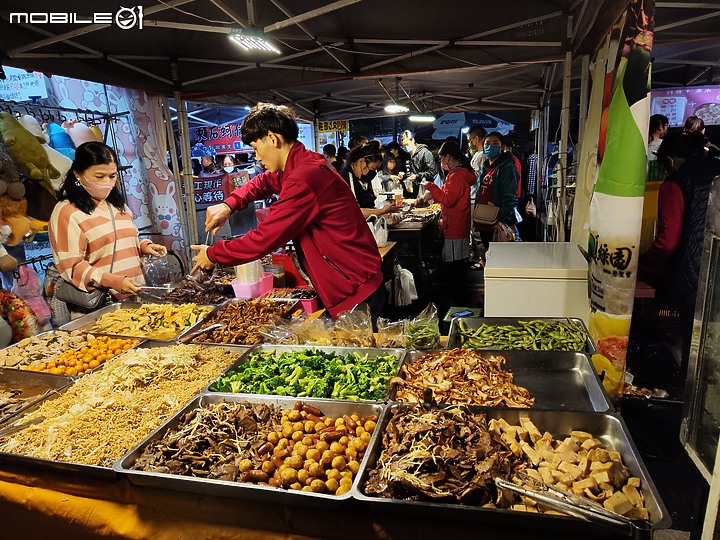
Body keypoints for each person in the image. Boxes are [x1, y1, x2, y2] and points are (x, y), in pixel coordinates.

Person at [192, 103, 386, 321]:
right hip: (352, 281)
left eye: (256, 148)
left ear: (273, 139)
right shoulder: (300, 164)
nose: (256, 157)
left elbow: (264, 240)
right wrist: (229, 205)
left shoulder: (304, 177)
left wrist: (213, 254)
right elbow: (262, 183)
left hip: (357, 289)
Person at [639, 130, 720, 382]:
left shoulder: (677, 182)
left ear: (670, 160)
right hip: (713, 271)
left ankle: (682, 401)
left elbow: (667, 240)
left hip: (694, 279)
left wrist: (642, 265)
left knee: (694, 349)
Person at [49, 142, 167, 299]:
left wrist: (144, 247)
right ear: (77, 173)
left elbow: (122, 242)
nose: (107, 182)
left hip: (136, 298)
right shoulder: (67, 211)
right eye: (99, 176)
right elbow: (71, 266)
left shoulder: (118, 205)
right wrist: (113, 281)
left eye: (112, 176)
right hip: (103, 304)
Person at [421, 140, 475, 300]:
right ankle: (459, 294)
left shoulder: (457, 175)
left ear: (450, 157)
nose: (441, 162)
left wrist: (431, 186)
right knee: (458, 262)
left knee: (455, 264)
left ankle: (457, 297)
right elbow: (448, 195)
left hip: (455, 226)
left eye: (442, 158)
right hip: (458, 223)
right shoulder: (458, 173)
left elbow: (448, 199)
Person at [473, 131, 520, 249]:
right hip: (484, 220)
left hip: (497, 222)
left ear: (502, 146)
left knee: (500, 257)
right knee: (489, 254)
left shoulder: (507, 167)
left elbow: (510, 196)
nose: (490, 146)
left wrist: (503, 220)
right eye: (487, 143)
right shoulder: (485, 167)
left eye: (495, 143)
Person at [339, 143, 400, 218]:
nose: (372, 173)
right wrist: (383, 211)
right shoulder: (346, 179)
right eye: (372, 169)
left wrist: (386, 216)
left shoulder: (365, 178)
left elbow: (369, 207)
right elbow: (354, 212)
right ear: (361, 162)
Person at [400, 130, 437, 198]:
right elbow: (406, 171)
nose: (406, 148)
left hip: (425, 192)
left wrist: (417, 176)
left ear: (413, 140)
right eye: (403, 146)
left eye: (407, 144)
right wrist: (403, 174)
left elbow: (432, 172)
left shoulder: (425, 153)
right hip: (411, 191)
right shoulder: (406, 155)